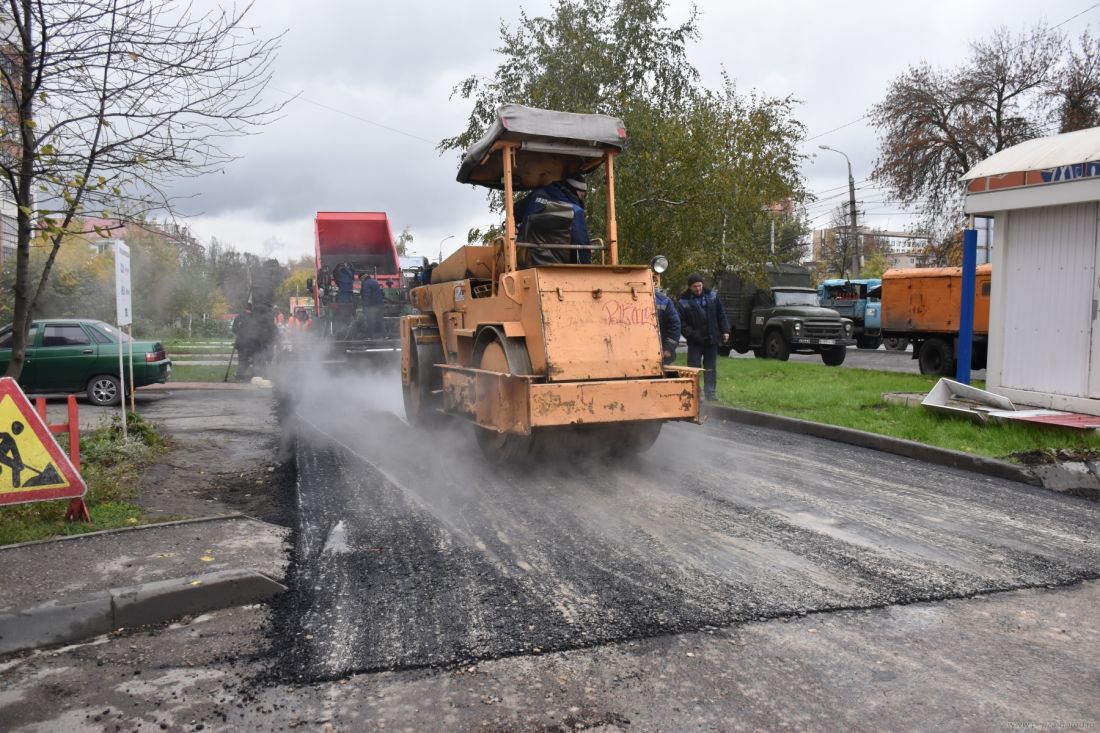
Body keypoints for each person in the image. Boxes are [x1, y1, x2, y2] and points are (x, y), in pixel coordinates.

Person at [514, 176, 591, 265]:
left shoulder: (536, 195)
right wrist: (586, 266)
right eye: (582, 195)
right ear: (576, 191)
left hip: (523, 262)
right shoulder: (575, 211)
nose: (582, 198)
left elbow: (513, 213)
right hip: (560, 268)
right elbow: (581, 244)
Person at [677, 274, 730, 401]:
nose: (698, 289)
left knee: (710, 367)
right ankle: (695, 392)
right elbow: (682, 324)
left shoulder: (712, 296)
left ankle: (710, 392)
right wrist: (693, 335)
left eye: (699, 285)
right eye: (694, 286)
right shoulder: (683, 302)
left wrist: (725, 330)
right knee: (693, 367)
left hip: (712, 338)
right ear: (690, 287)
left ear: (702, 284)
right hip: (695, 341)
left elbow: (721, 314)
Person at [655, 289, 681, 366]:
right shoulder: (664, 301)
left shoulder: (664, 301)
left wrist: (668, 349)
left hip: (661, 355)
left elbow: (675, 325)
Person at [360, 274, 385, 338]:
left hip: (372, 306)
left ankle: (369, 336)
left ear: (363, 278)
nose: (361, 281)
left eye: (361, 279)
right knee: (380, 320)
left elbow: (366, 295)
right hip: (380, 305)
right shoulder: (374, 281)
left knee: (371, 321)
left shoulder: (366, 283)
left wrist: (365, 306)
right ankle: (385, 335)